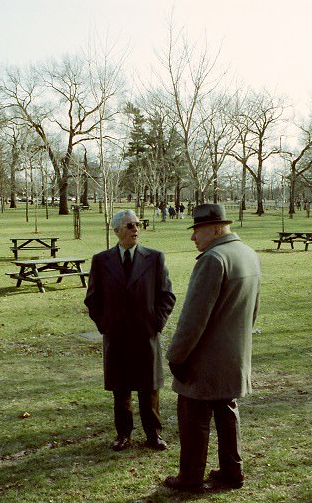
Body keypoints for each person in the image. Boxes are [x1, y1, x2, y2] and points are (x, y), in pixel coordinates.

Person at [163, 203, 261, 492]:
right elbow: (253, 310)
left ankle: (190, 478)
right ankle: (233, 471)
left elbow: (193, 317)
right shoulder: (248, 254)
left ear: (217, 229)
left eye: (197, 230)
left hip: (203, 360)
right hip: (234, 355)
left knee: (194, 417)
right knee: (227, 412)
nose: (193, 238)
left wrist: (176, 356)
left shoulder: (214, 258)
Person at [84, 209, 176, 452]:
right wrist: (105, 325)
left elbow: (167, 295)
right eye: (130, 226)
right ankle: (123, 434)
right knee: (120, 388)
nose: (136, 229)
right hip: (116, 336)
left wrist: (156, 323)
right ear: (116, 231)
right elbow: (92, 299)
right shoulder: (101, 260)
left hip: (146, 333)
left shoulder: (155, 258)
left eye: (138, 224)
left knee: (149, 387)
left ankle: (153, 435)